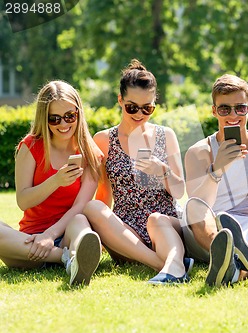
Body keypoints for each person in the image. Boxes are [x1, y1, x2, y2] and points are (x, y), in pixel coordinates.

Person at [83, 59, 191, 284]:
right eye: (132, 107)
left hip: (163, 224)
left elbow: (180, 191)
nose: (139, 114)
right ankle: (169, 264)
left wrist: (162, 171)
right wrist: (104, 232)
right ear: (120, 100)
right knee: (92, 207)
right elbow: (103, 195)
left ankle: (172, 263)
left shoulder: (165, 135)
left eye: (147, 108)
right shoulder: (103, 139)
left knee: (155, 219)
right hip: (126, 233)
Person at [183, 74, 248, 287]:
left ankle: (231, 267)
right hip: (211, 226)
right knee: (192, 208)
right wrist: (217, 169)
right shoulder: (199, 152)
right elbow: (198, 205)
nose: (233, 115)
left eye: (240, 108)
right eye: (224, 109)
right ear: (214, 111)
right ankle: (225, 253)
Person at [0, 80, 102, 286]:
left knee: (81, 222)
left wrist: (51, 234)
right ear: (44, 119)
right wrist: (55, 181)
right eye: (54, 119)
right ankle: (66, 258)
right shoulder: (30, 147)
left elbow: (81, 205)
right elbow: (23, 201)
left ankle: (77, 257)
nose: (63, 124)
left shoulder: (91, 153)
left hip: (66, 233)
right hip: (29, 242)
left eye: (69, 116)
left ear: (78, 113)